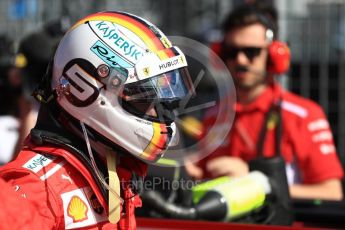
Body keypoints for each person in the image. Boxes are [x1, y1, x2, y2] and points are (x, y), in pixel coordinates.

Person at [0, 11, 194, 229]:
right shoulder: (35, 189)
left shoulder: (113, 172)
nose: (158, 110)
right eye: (145, 97)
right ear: (85, 89)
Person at [186, 4, 344, 201]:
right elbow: (203, 183)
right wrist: (186, 175)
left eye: (251, 52)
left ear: (273, 56)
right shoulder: (213, 116)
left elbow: (331, 193)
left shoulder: (303, 116)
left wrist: (254, 182)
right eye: (232, 52)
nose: (241, 60)